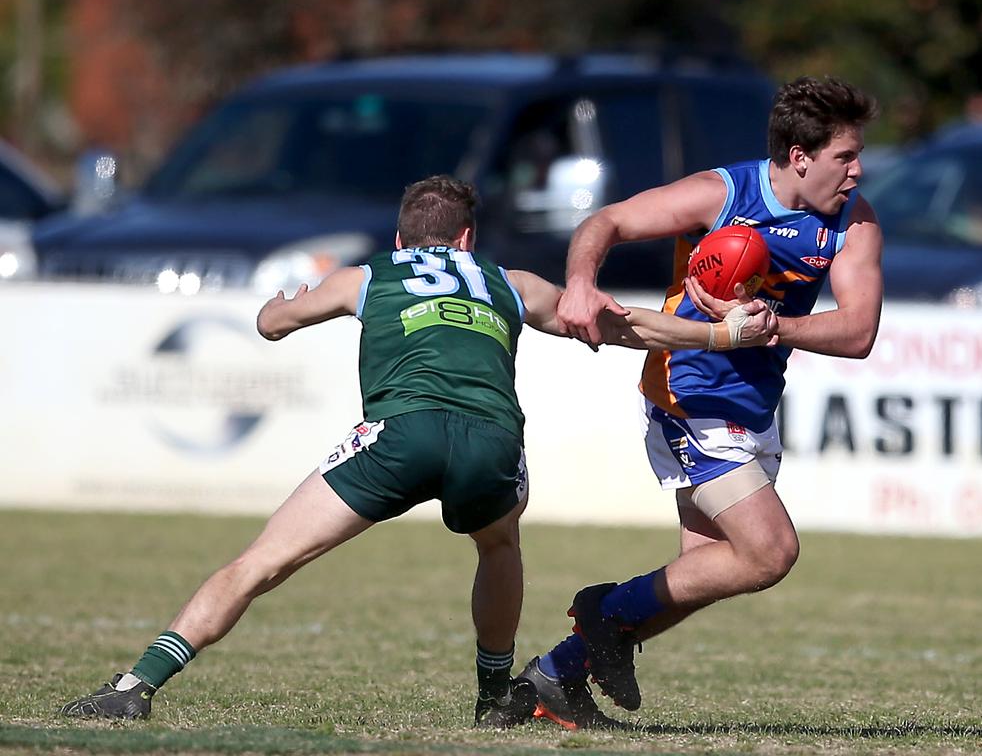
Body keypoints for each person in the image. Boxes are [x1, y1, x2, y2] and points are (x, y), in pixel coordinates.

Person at [59, 175, 779, 728]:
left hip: (398, 436)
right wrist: (723, 336)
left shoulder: (368, 275)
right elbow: (621, 326)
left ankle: (135, 687)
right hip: (492, 444)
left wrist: (285, 302)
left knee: (263, 561)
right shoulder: (508, 281)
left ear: (403, 241)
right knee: (498, 545)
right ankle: (494, 696)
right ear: (467, 240)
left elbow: (271, 323)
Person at [517, 76, 883, 730]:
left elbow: (858, 332)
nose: (858, 170)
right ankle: (604, 612)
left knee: (701, 572)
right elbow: (607, 221)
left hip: (753, 401)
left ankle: (555, 676)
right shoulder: (724, 194)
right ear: (800, 156)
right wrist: (578, 283)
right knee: (769, 552)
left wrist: (771, 326)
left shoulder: (852, 222)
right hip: (688, 393)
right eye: (844, 157)